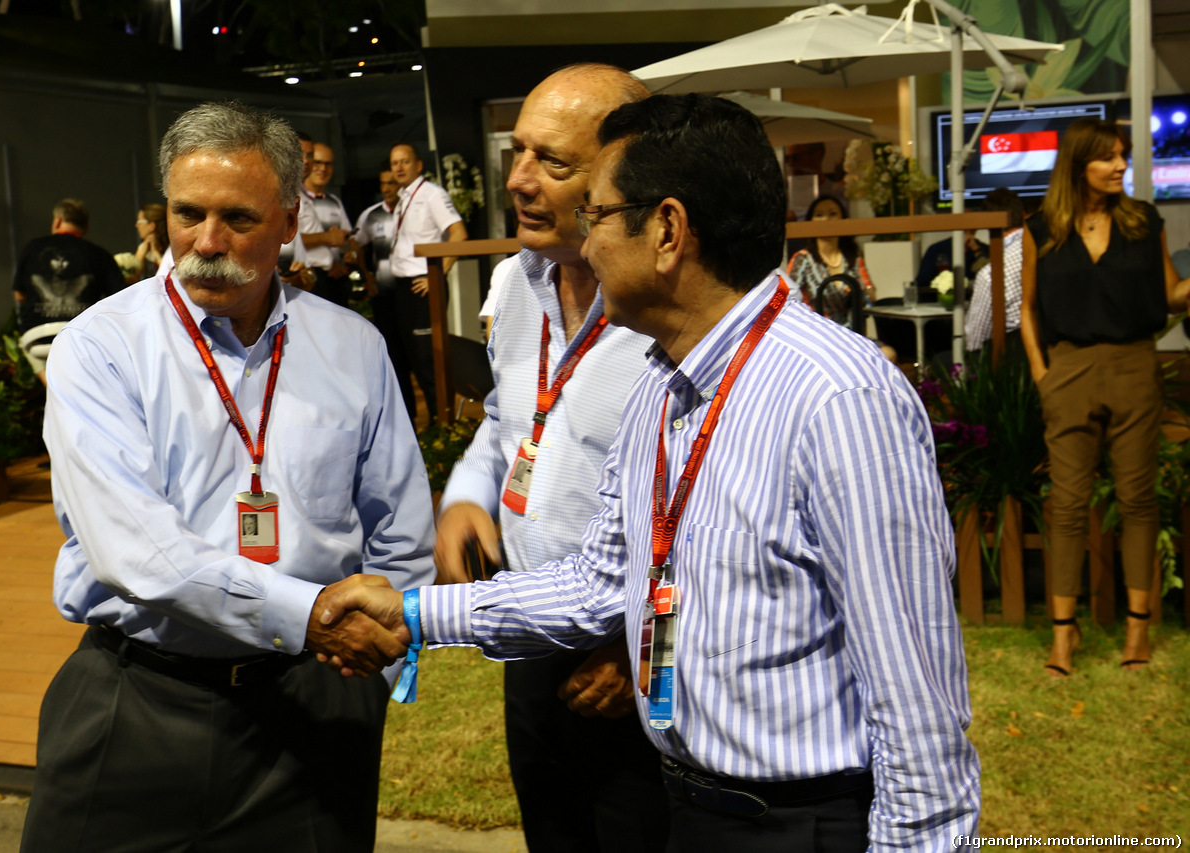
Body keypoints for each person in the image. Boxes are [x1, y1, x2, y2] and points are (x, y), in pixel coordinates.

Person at [325, 93, 980, 851]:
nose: (583, 236)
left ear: (666, 230)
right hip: (693, 807)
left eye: (596, 213)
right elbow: (600, 580)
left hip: (801, 823)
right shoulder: (666, 385)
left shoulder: (836, 398)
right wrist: (413, 614)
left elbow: (917, 704)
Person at [20, 101, 435, 853]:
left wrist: (369, 678)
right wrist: (311, 614)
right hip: (137, 701)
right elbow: (134, 551)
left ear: (288, 218)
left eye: (238, 219)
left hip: (312, 708)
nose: (205, 243)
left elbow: (401, 532)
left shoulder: (353, 346)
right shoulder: (100, 348)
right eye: (187, 213)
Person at [433, 64, 669, 853]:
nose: (519, 180)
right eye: (518, 152)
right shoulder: (515, 279)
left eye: (551, 163)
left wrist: (640, 643)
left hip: (633, 657)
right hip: (531, 631)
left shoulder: (669, 310)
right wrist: (467, 497)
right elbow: (507, 419)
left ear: (625, 176)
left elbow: (717, 503)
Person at [1020, 118, 1190, 676]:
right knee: (1067, 505)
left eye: (1123, 156)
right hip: (1068, 370)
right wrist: (1044, 374)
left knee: (1138, 501)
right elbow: (1027, 310)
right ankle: (1063, 638)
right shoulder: (1042, 227)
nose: (1120, 165)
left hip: (1134, 366)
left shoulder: (1144, 220)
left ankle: (1138, 631)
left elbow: (1170, 296)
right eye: (1108, 157)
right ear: (1078, 163)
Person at [388, 141, 468, 421]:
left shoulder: (432, 194)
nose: (398, 167)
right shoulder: (403, 198)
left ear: (419, 165)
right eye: (394, 163)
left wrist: (437, 276)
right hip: (403, 288)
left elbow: (459, 234)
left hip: (423, 287)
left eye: (404, 161)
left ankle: (445, 425)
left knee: (428, 361)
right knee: (413, 360)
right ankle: (435, 423)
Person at [12, 198, 126, 383]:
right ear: (86, 227)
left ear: (57, 221)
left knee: (30, 349)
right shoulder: (100, 255)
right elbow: (119, 299)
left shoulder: (32, 248)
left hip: (38, 339)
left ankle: (52, 388)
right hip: (81, 338)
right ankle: (66, 393)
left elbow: (19, 295)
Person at [353, 163, 414, 417]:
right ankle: (402, 412)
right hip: (382, 295)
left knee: (413, 353)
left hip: (408, 292)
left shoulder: (410, 211)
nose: (387, 189)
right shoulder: (371, 215)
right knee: (393, 356)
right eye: (383, 184)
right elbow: (355, 245)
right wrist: (367, 278)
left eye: (392, 183)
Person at [785, 194, 874, 327]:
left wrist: (861, 290)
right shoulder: (802, 258)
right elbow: (788, 300)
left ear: (843, 220)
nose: (826, 219)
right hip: (817, 331)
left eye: (833, 214)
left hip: (852, 331)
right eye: (819, 215)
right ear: (810, 221)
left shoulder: (853, 255)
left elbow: (870, 297)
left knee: (886, 349)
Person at [965, 188, 1026, 353]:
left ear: (986, 223)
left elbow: (975, 340)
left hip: (1011, 361)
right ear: (1023, 215)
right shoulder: (1048, 249)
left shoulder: (991, 275)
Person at [299, 141, 355, 307]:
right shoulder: (294, 197)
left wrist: (346, 259)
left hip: (336, 279)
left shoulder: (334, 202)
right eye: (318, 162)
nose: (323, 168)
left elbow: (349, 240)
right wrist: (328, 237)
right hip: (308, 279)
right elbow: (287, 242)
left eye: (328, 164)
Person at [131, 203, 169, 283]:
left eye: (139, 222)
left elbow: (171, 275)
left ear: (152, 226)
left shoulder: (171, 248)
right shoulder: (143, 248)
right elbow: (132, 279)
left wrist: (156, 253)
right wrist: (140, 254)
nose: (137, 225)